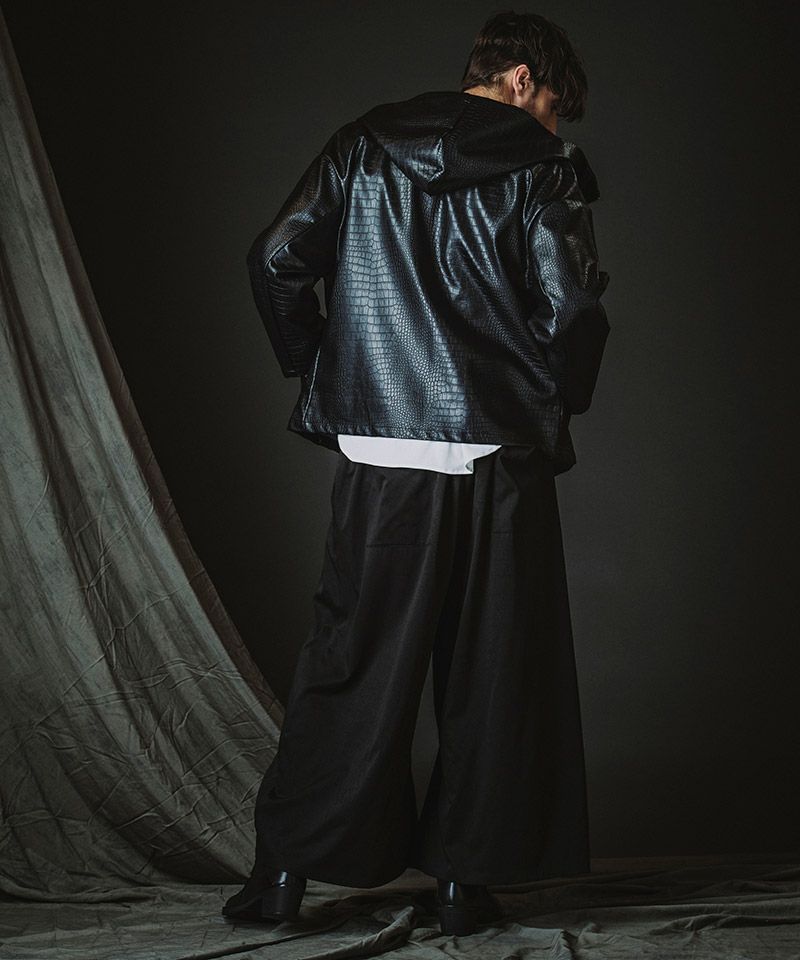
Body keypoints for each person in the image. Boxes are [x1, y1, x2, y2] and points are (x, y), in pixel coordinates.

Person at [223, 8, 611, 937]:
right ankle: (462, 885)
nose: (552, 124)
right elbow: (572, 310)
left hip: (382, 455)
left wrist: (327, 366)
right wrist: (553, 402)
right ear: (521, 79)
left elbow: (277, 258)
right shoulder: (541, 167)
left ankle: (284, 877)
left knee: (352, 661)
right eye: (553, 104)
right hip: (496, 454)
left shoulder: (363, 145)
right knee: (491, 670)